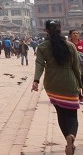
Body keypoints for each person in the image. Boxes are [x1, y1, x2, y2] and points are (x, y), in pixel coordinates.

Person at [32, 20, 82, 155]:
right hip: (69, 82)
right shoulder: (71, 46)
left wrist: (36, 81)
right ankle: (71, 136)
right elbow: (76, 68)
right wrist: (80, 86)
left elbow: (39, 65)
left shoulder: (42, 47)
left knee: (60, 113)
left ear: (46, 30)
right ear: (60, 29)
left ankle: (67, 139)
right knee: (72, 115)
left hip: (52, 84)